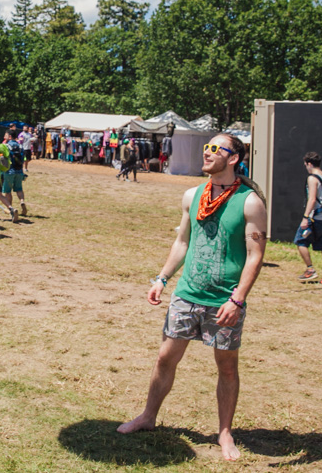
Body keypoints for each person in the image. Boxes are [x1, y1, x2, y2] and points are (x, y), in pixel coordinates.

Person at [118, 134, 267, 462]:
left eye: (216, 149)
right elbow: (183, 242)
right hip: (187, 294)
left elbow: (256, 255)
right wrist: (162, 278)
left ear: (233, 159)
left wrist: (237, 299)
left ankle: (225, 432)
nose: (207, 152)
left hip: (224, 301)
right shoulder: (192, 195)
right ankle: (147, 417)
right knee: (164, 358)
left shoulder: (249, 201)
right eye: (206, 147)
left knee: (226, 367)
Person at [295, 151, 322, 288]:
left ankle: (310, 269)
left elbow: (312, 199)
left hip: (316, 217)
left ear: (309, 164)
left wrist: (305, 217)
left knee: (300, 240)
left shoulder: (312, 178)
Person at [4, 129, 28, 218]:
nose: (4, 137)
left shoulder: (6, 146)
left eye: (6, 135)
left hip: (9, 171)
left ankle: (11, 210)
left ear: (10, 137)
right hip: (19, 171)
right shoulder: (20, 146)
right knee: (19, 189)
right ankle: (22, 201)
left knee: (7, 191)